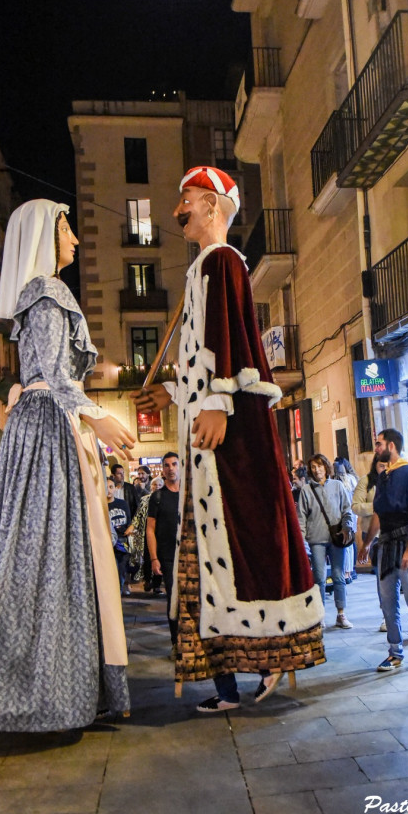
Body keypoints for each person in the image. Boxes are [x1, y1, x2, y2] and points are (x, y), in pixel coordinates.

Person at [134, 166, 324, 713]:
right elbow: (201, 354)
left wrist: (217, 402)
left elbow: (229, 335)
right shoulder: (204, 266)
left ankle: (262, 660)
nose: (178, 213)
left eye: (187, 200)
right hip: (202, 444)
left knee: (238, 546)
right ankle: (228, 681)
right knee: (205, 562)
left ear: (213, 206)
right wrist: (176, 393)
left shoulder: (222, 261)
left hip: (221, 440)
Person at [0, 199, 135, 732]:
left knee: (37, 556)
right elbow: (56, 375)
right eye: (67, 229)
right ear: (44, 233)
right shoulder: (46, 291)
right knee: (59, 552)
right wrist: (98, 417)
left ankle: (45, 688)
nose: (76, 240)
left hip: (36, 427)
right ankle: (57, 694)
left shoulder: (30, 297)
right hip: (50, 428)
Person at [360, 429, 408, 672]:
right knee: (387, 601)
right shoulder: (383, 477)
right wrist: (368, 541)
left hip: (406, 541)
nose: (376, 448)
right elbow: (379, 513)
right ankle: (395, 652)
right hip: (386, 544)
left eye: (379, 444)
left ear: (391, 445)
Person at [298, 455, 356, 629]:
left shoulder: (338, 486)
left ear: (326, 467)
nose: (317, 470)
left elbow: (347, 510)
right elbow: (301, 518)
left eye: (320, 466)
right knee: (319, 578)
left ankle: (341, 614)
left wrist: (347, 526)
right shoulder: (306, 491)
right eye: (313, 467)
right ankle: (319, 615)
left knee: (339, 576)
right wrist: (301, 542)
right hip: (316, 540)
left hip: (337, 538)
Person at [146, 453, 181, 655]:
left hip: (188, 554)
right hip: (167, 556)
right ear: (162, 469)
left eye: (174, 464)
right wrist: (154, 558)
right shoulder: (157, 497)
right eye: (167, 465)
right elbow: (150, 529)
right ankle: (176, 643)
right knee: (173, 601)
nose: (171, 468)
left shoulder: (188, 493)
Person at [353, 454, 387, 630]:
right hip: (374, 535)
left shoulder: (397, 479)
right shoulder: (366, 481)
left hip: (395, 532)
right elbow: (356, 506)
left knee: (405, 578)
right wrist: (377, 505)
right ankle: (386, 616)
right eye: (381, 465)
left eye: (386, 465)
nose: (384, 469)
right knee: (382, 577)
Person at [125, 475, 164, 586]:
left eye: (160, 485)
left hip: (160, 533)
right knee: (147, 557)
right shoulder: (144, 499)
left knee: (159, 557)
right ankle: (147, 580)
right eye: (155, 485)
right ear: (151, 486)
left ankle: (157, 585)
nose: (157, 487)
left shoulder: (164, 500)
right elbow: (138, 515)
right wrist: (132, 526)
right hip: (146, 532)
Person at [106, 475, 132, 595]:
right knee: (112, 567)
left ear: (115, 488)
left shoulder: (122, 504)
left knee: (122, 567)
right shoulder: (102, 506)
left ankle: (120, 588)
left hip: (123, 539)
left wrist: (130, 528)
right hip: (109, 541)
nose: (108, 490)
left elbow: (128, 519)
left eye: (111, 487)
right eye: (106, 487)